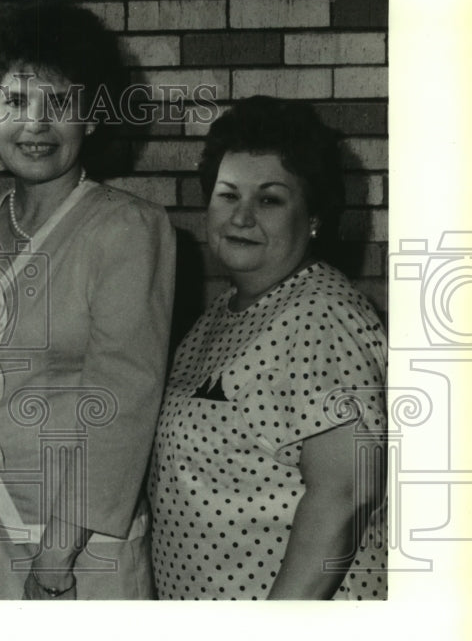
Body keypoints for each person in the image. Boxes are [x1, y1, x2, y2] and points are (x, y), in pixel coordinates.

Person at [0, 1, 176, 599]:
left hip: (77, 536)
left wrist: (58, 554)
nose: (34, 125)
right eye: (14, 102)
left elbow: (123, 396)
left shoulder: (127, 229)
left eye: (59, 103)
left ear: (92, 117)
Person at [150, 96, 388, 600]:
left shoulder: (323, 315)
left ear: (315, 216)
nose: (240, 217)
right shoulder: (223, 313)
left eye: (269, 199)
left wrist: (273, 639)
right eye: (227, 195)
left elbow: (346, 496)